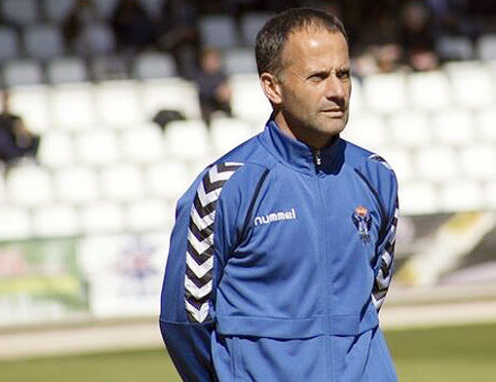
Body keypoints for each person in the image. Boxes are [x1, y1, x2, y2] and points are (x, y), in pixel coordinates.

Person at [160, 8, 399, 381]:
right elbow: (184, 321)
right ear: (272, 87)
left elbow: (372, 296)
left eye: (344, 74)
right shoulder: (225, 189)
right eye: (318, 77)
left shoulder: (376, 177)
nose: (337, 91)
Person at [0, 91, 40, 168]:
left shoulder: (16, 118)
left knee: (34, 137)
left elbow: (22, 131)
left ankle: (30, 158)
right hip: (4, 148)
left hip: (17, 143)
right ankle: (12, 159)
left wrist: (23, 132)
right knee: (2, 138)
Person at [195, 48, 233, 126]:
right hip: (207, 110)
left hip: (223, 107)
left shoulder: (222, 75)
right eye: (211, 60)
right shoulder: (200, 77)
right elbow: (202, 91)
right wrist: (216, 93)